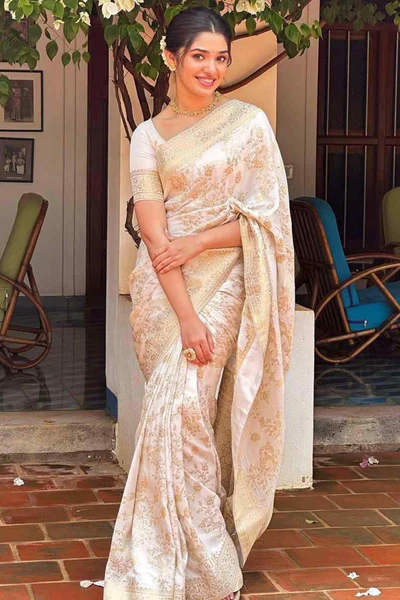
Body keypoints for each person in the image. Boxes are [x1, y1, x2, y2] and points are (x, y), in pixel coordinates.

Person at [104, 6, 295, 600]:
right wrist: (185, 317)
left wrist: (202, 241)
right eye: (199, 56)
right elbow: (153, 231)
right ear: (171, 57)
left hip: (227, 279)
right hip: (165, 295)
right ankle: (182, 552)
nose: (211, 68)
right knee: (179, 418)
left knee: (186, 412)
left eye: (221, 58)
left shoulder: (248, 124)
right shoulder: (147, 136)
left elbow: (269, 221)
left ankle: (210, 565)